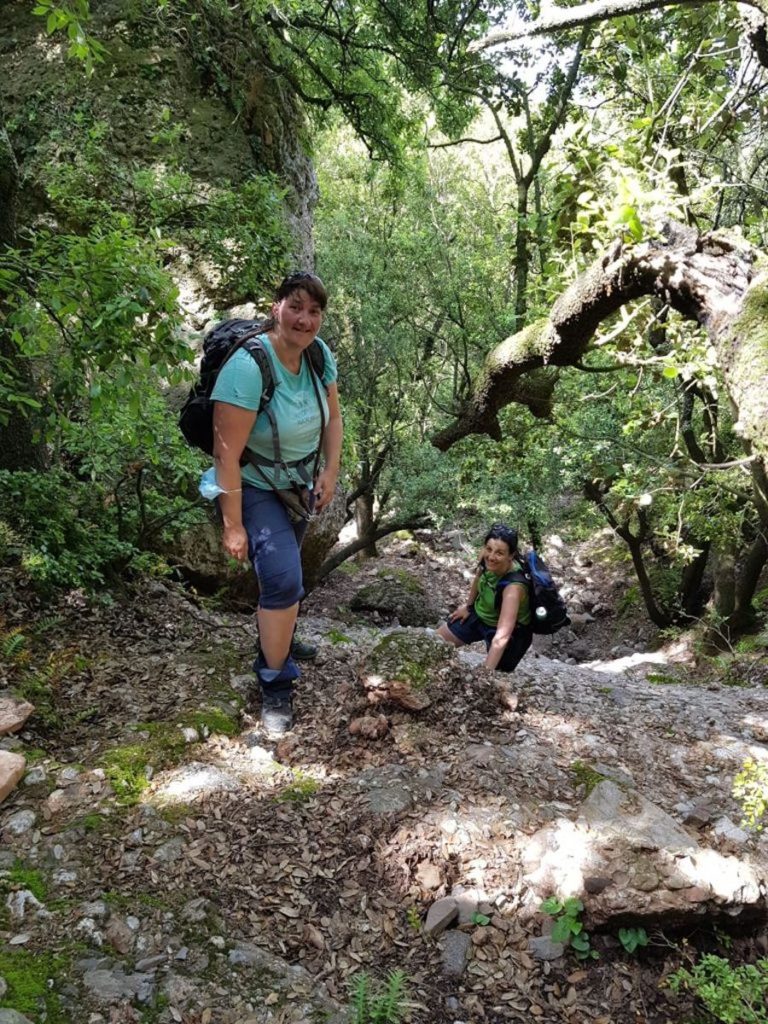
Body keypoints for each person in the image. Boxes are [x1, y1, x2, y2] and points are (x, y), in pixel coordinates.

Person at [211, 271, 342, 736]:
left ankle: (277, 645)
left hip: (301, 482)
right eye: (296, 307)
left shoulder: (317, 355)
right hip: (254, 485)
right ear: (277, 307)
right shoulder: (249, 368)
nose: (305, 320)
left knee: (287, 577)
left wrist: (329, 471)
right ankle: (274, 682)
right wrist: (233, 523)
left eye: (314, 311)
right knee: (284, 580)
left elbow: (333, 417)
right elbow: (225, 453)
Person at [437, 524, 533, 672]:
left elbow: (502, 636)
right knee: (436, 641)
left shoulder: (513, 589)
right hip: (480, 614)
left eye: (499, 553)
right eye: (489, 549)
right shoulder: (486, 558)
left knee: (496, 677)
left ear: (511, 555)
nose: (491, 557)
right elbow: (479, 576)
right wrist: (468, 607)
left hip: (510, 633)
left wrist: (485, 675)